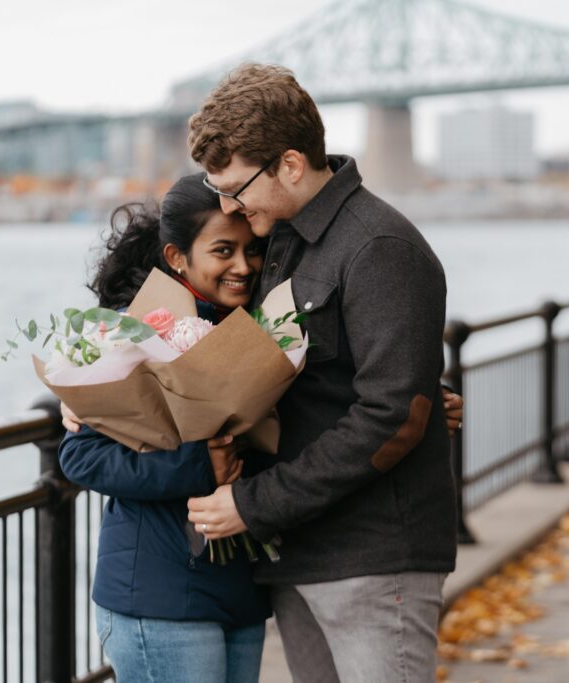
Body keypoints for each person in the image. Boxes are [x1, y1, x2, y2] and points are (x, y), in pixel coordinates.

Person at [59, 174, 465, 682]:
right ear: (178, 256)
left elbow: (330, 395)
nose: (243, 266)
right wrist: (195, 463)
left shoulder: (264, 322)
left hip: (243, 588)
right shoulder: (132, 330)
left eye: (253, 250)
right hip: (160, 586)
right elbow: (79, 457)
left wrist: (429, 403)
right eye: (224, 250)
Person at [184, 63, 458, 682]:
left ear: (288, 164)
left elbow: (391, 415)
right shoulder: (283, 240)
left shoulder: (378, 247)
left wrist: (253, 505)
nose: (228, 205)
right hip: (299, 555)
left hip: (372, 559)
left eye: (236, 187)